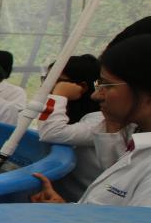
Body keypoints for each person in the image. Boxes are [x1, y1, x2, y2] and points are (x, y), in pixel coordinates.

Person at [32, 35, 151, 206]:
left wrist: (58, 96)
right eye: (99, 84)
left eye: (108, 85)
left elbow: (51, 132)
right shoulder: (137, 139)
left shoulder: (96, 121)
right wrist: (65, 210)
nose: (96, 95)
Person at [37, 54, 122, 201]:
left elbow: (51, 132)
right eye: (46, 79)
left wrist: (59, 95)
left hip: (83, 204)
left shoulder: (100, 120)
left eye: (56, 81)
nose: (47, 86)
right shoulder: (66, 113)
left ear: (81, 87)